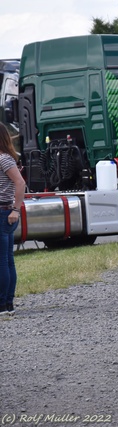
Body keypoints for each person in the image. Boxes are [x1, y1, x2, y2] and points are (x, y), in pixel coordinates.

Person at [0, 123, 25, 316]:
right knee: (7, 260)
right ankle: (8, 304)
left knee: (3, 261)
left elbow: (20, 182)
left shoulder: (3, 159)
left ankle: (3, 304)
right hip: (6, 213)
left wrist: (16, 209)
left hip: (4, 212)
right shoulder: (7, 158)